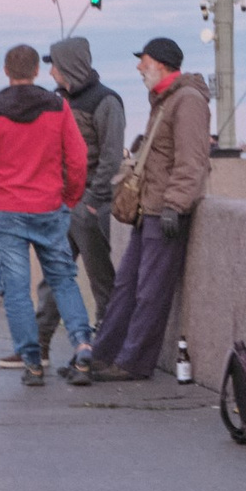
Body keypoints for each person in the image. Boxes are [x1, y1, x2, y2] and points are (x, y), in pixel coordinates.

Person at [0, 44, 95, 386]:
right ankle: (83, 345)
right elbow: (78, 159)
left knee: (15, 290)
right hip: (49, 208)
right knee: (63, 280)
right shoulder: (58, 107)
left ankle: (32, 361)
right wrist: (68, 197)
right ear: (36, 72)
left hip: (5, 211)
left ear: (6, 71)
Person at [87, 37, 210, 381]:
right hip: (149, 208)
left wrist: (174, 204)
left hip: (165, 210)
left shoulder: (187, 100)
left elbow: (192, 160)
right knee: (127, 285)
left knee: (150, 291)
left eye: (144, 61)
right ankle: (104, 354)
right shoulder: (165, 99)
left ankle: (134, 362)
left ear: (162, 64)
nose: (139, 67)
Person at [27, 37, 124, 373]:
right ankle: (36, 347)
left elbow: (111, 158)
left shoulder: (106, 101)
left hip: (90, 206)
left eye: (54, 63)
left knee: (101, 281)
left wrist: (94, 203)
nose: (50, 70)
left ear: (69, 65)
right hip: (59, 205)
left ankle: (105, 351)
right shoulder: (55, 101)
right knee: (53, 278)